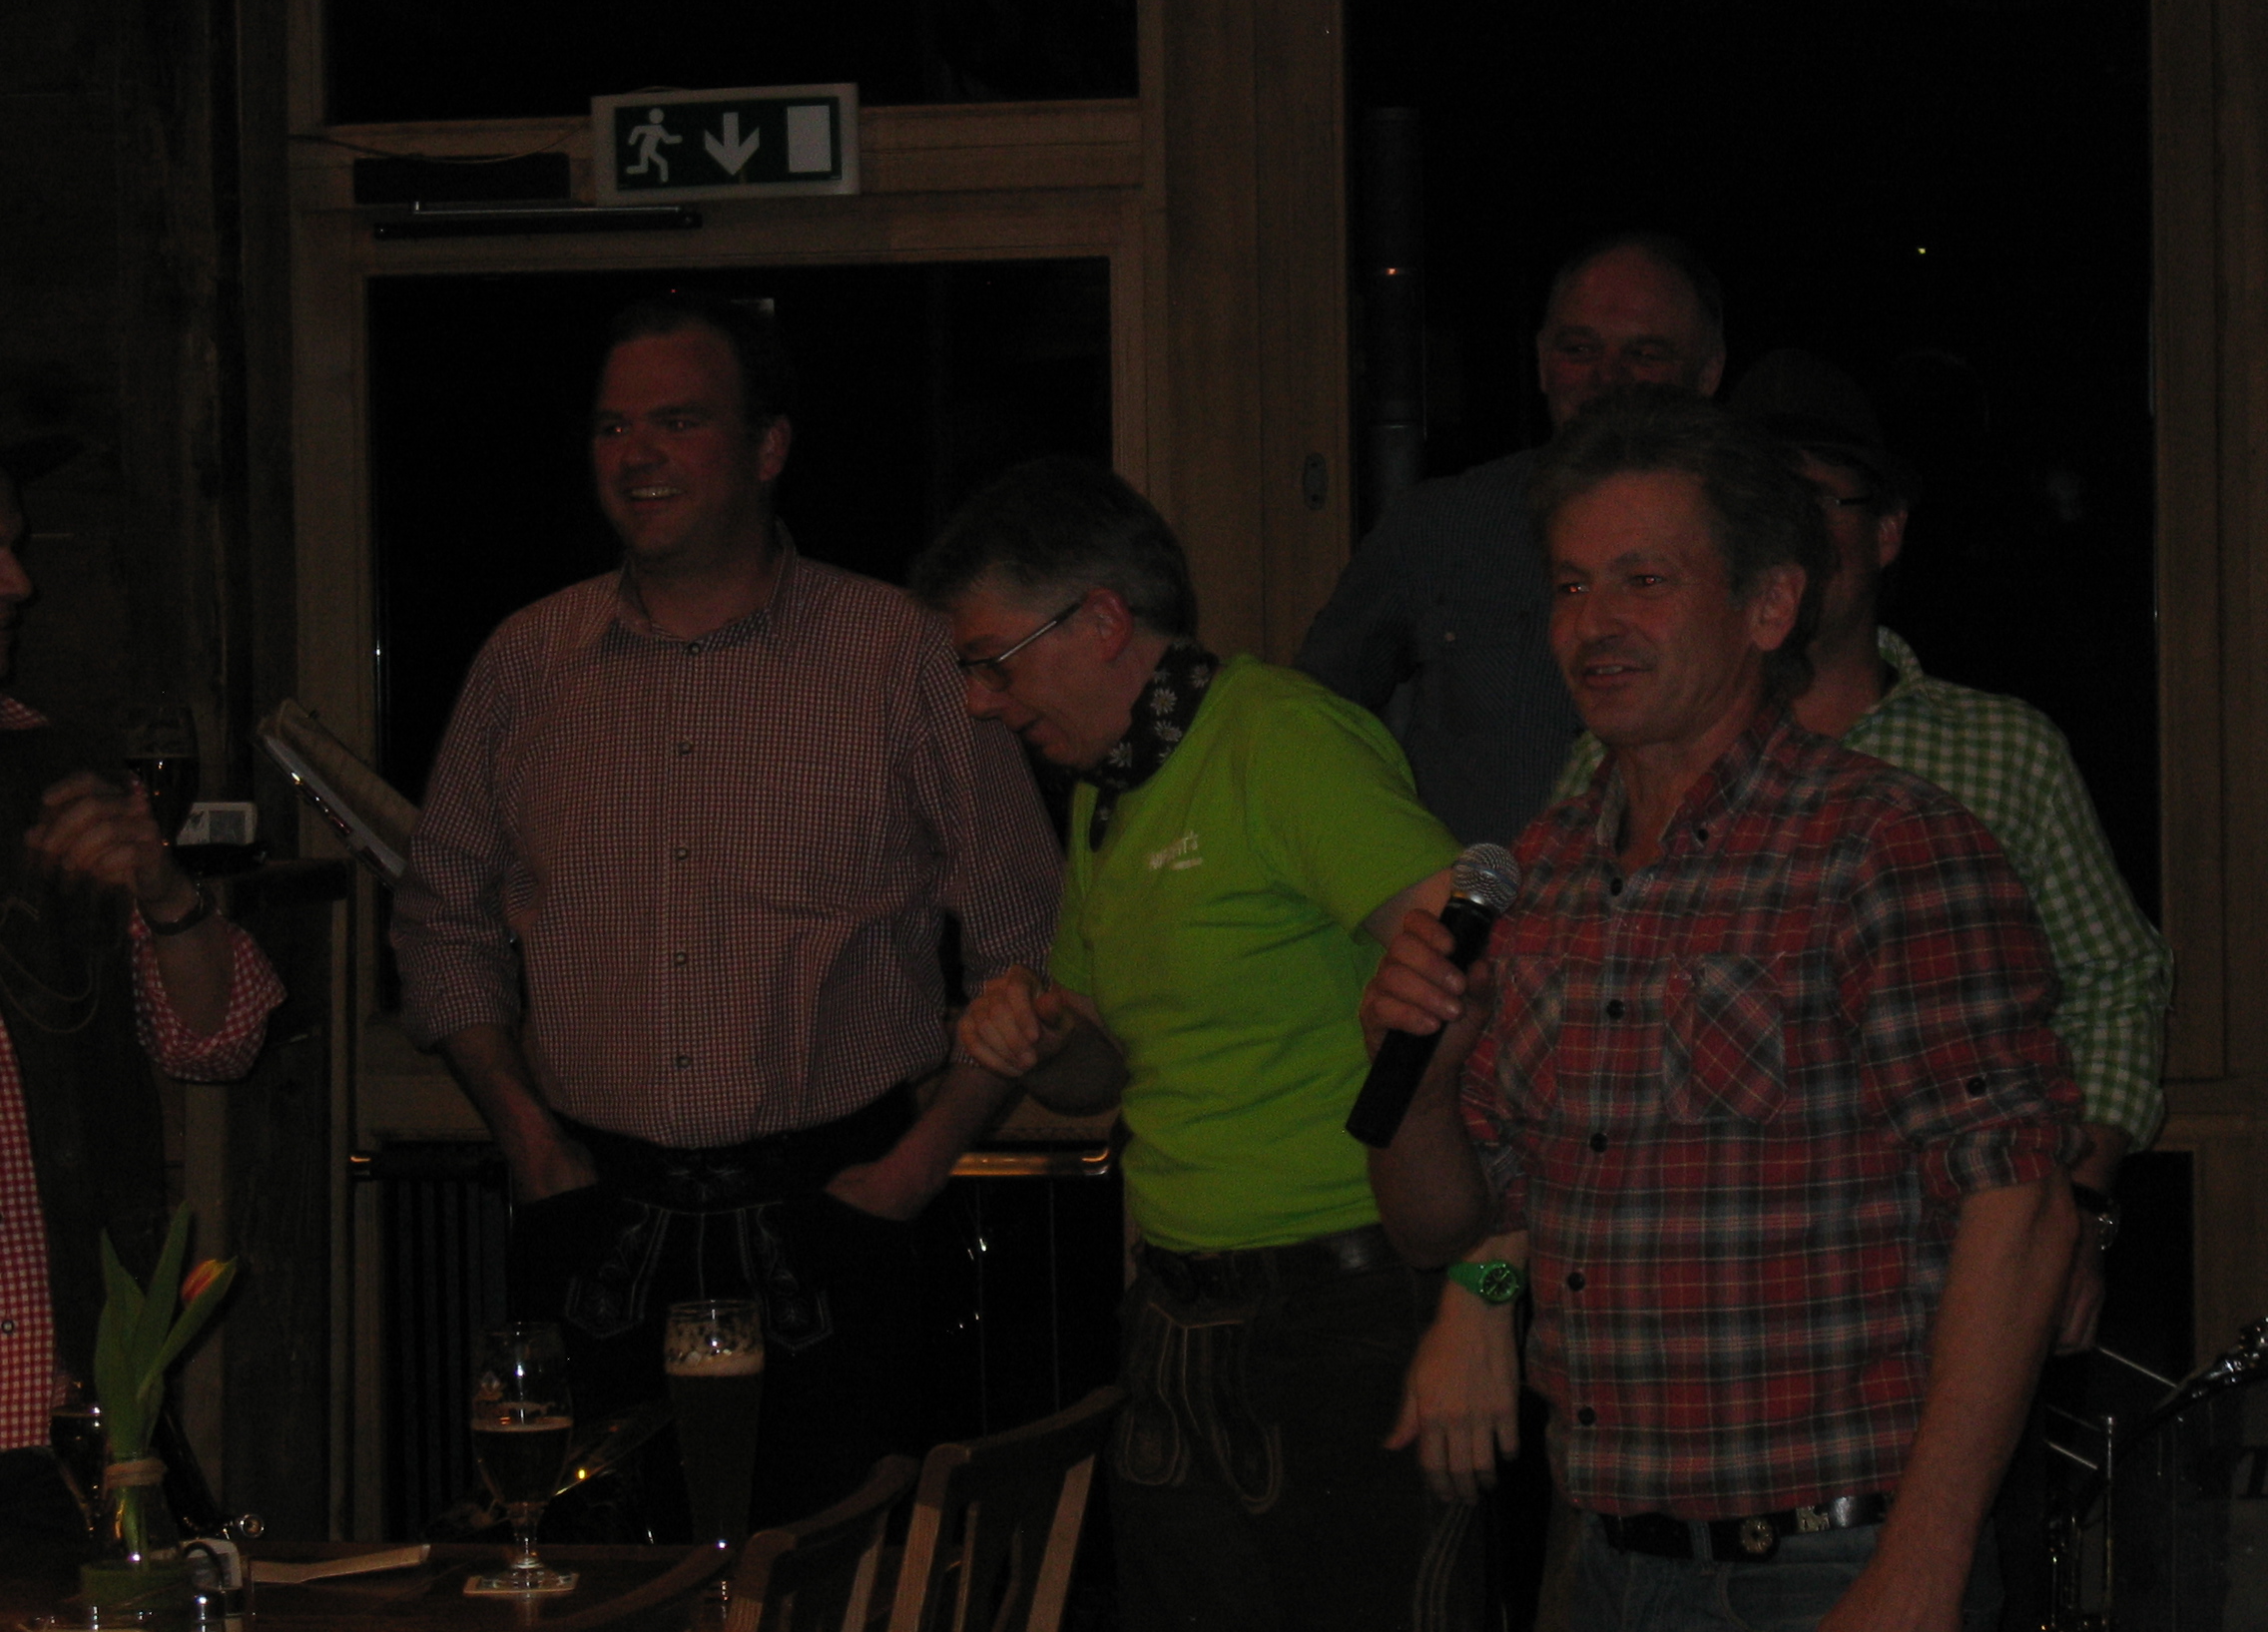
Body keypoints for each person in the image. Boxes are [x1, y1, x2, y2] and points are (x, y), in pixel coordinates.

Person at [1364, 388, 2082, 1631]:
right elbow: (1443, 1227)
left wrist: (1922, 1562)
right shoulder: (1540, 871)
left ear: (1767, 606)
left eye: (1643, 581)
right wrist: (1419, 1076)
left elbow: (2016, 1207)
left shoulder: (1882, 846)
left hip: (1831, 1557)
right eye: (1571, 585)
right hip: (1600, 1558)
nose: (1594, 623)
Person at [391, 292, 1059, 1527]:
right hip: (589, 1212)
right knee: (587, 1579)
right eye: (611, 427)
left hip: (839, 1211)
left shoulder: (900, 656)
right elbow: (441, 923)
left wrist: (912, 1172)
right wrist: (528, 1138)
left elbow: (1029, 938)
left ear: (768, 448)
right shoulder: (525, 664)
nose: (636, 455)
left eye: (679, 421)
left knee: (838, 1579)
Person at [910, 458, 1471, 1632]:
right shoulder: (1108, 784)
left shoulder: (1280, 740)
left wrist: (1484, 1286)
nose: (978, 702)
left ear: (1102, 621)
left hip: (1344, 1312)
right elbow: (1100, 1070)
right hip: (1177, 1313)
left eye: (992, 661)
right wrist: (1039, 1034)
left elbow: (1475, 965)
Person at [1552, 349, 2167, 1351]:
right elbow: (1546, 1078)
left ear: (1886, 532)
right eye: (1756, 504)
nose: (1786, 526)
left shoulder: (1996, 752)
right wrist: (1484, 1297)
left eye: (1812, 499)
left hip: (1956, 1293)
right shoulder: (1615, 760)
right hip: (1696, 1336)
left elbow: (2114, 985)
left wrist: (2079, 1207)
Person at [0, 446, 284, 1534]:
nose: (20, 582)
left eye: (18, 547)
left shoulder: (51, 773)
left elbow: (219, 1038)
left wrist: (163, 888)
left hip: (71, 1413)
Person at [1295, 233, 1727, 844]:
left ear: (1708, 372)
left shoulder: (1750, 534)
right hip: (1484, 902)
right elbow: (1308, 716)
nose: (1607, 378)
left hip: (1701, 900)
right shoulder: (1443, 526)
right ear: (1543, 361)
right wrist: (1387, 867)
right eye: (1580, 349)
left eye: (1645, 354)